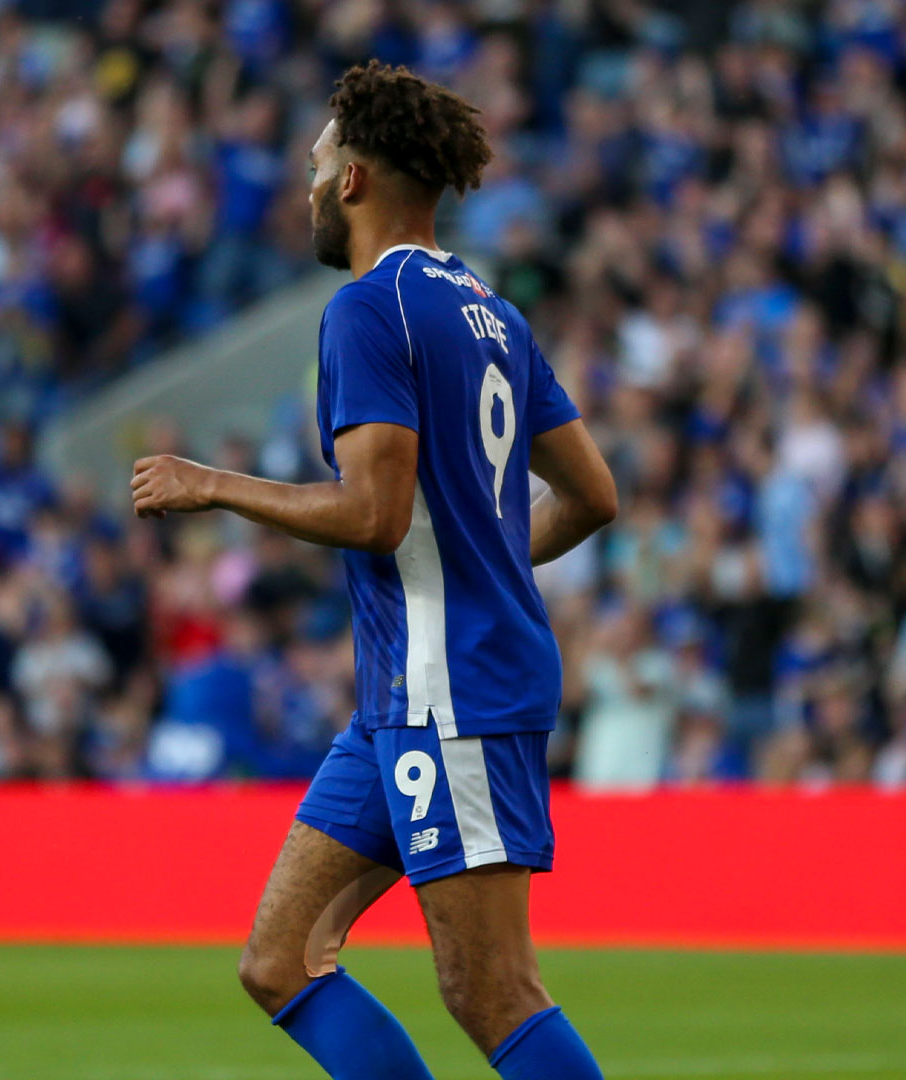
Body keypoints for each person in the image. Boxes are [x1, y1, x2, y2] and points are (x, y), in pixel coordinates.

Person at [131, 62, 616, 1080]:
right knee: (280, 959)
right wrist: (485, 555)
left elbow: (372, 513)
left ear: (351, 180)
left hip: (453, 686)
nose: (307, 184)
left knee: (491, 988)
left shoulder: (367, 308)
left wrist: (211, 483)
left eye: (315, 163)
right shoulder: (490, 310)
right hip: (406, 693)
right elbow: (591, 495)